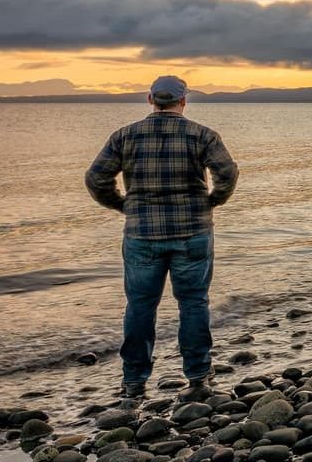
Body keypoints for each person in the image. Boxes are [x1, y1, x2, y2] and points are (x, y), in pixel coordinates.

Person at [85, 75, 238, 402]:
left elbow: (96, 178)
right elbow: (228, 173)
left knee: (140, 306)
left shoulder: (125, 136)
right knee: (193, 302)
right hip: (192, 232)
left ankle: (134, 381)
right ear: (184, 100)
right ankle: (197, 375)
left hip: (142, 233)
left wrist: (123, 205)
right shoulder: (202, 135)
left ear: (150, 99)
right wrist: (213, 200)